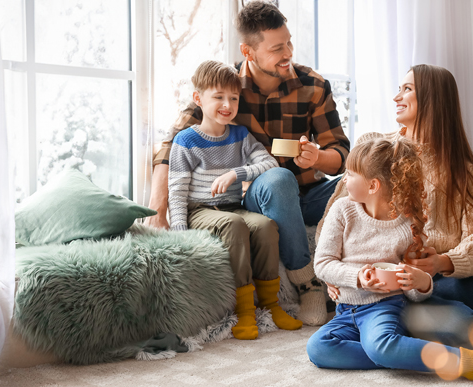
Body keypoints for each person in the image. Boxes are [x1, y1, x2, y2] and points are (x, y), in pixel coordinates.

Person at [321, 64, 473, 362]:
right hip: (389, 293)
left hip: (447, 279)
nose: (396, 97)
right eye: (399, 88)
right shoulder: (375, 148)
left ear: (432, 98)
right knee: (466, 334)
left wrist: (440, 262)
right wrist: (340, 275)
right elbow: (336, 220)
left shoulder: (461, 171)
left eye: (407, 89)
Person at [148, 1, 349, 325]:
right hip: (262, 194)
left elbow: (340, 151)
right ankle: (308, 282)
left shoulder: (313, 86)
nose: (288, 53)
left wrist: (318, 156)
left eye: (289, 42)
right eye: (277, 48)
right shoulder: (226, 88)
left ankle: (369, 290)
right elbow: (172, 142)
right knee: (280, 177)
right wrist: (159, 209)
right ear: (248, 51)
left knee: (357, 184)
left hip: (310, 195)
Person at [308, 137, 473, 387]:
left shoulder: (408, 226)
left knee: (382, 345)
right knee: (319, 349)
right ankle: (398, 352)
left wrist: (421, 284)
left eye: (350, 174)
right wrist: (355, 277)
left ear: (373, 185)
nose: (344, 179)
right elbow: (323, 264)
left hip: (383, 308)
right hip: (345, 309)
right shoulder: (342, 210)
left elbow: (414, 291)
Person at [168, 60, 302, 340]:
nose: (227, 104)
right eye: (218, 97)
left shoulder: (240, 135)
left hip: (234, 206)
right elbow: (177, 192)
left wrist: (236, 173)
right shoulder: (185, 141)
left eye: (233, 98)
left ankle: (271, 305)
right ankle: (245, 312)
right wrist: (179, 234)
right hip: (201, 210)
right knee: (234, 225)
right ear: (198, 99)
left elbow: (268, 162)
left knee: (265, 225)